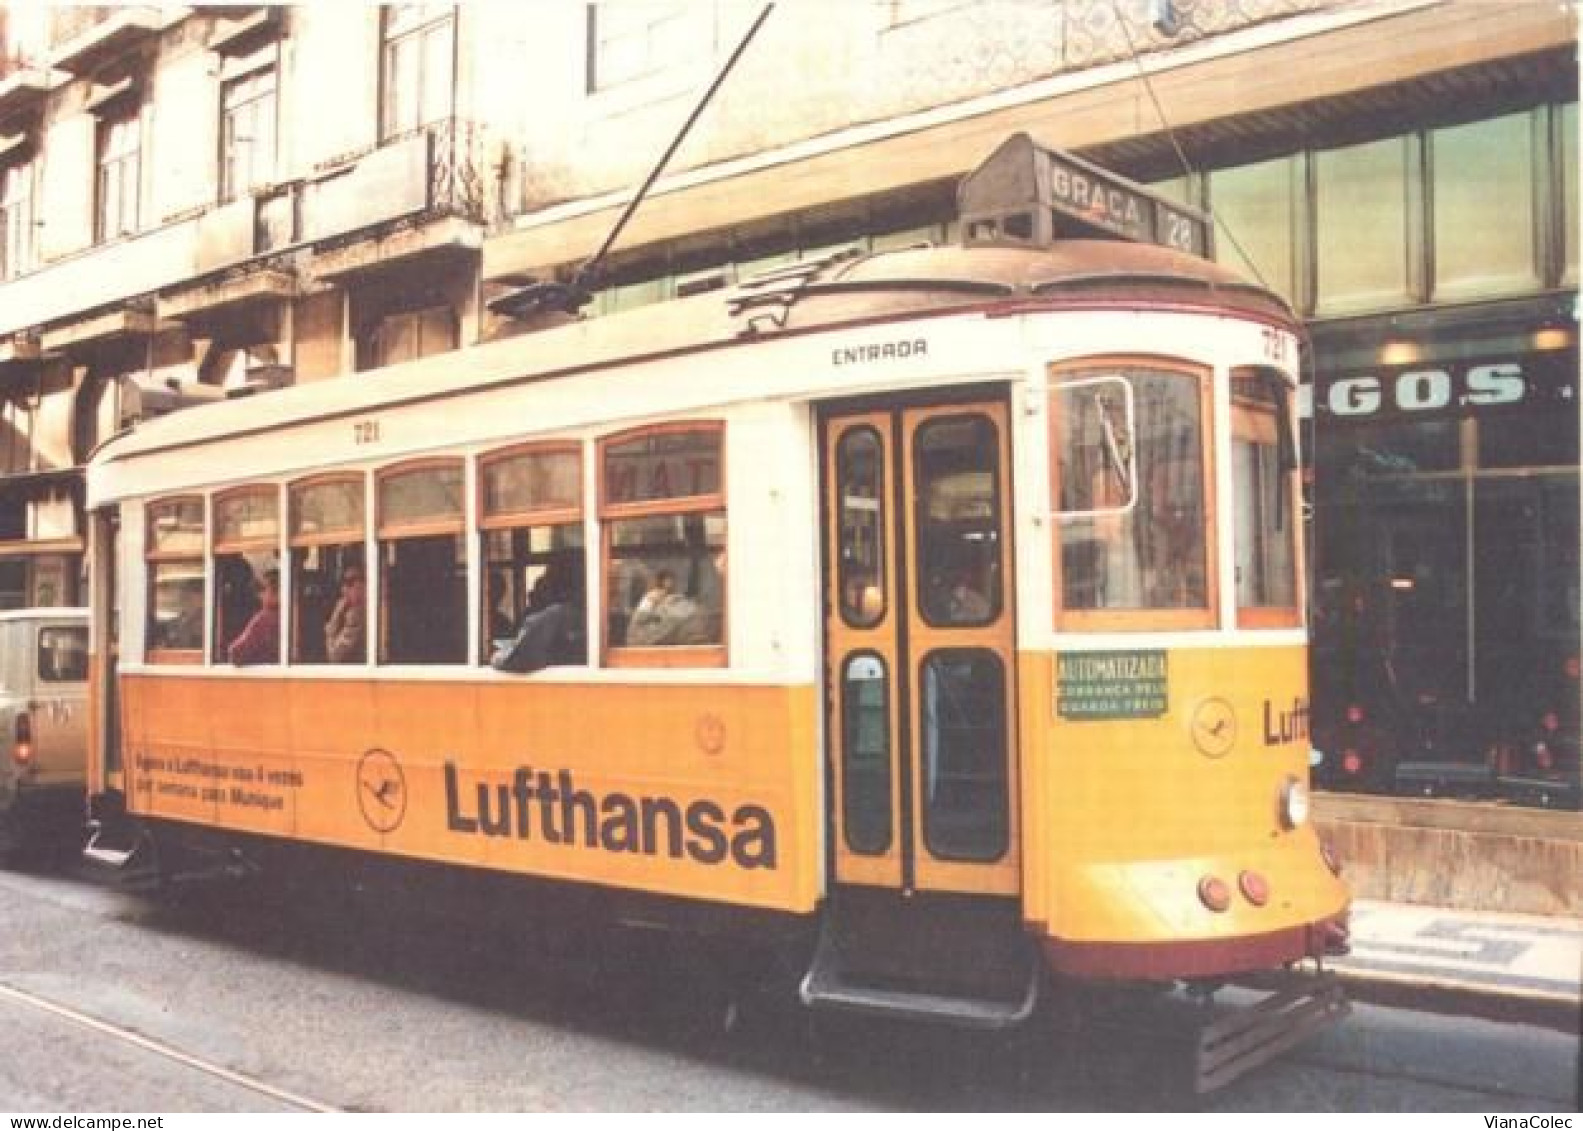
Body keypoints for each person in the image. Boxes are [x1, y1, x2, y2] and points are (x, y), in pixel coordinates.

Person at [626, 568, 700, 647]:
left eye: (672, 580)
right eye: (668, 580)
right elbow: (640, 617)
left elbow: (683, 613)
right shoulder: (652, 596)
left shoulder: (677, 597)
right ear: (662, 581)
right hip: (647, 638)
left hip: (670, 638)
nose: (671, 583)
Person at [228, 569, 280, 666]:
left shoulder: (265, 619)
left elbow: (236, 653)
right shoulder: (294, 616)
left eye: (263, 589)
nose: (259, 594)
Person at [324, 566, 366, 664]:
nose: (344, 589)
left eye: (350, 583)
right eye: (343, 584)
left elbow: (335, 656)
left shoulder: (356, 616)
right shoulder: (353, 613)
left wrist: (335, 616)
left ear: (364, 585)